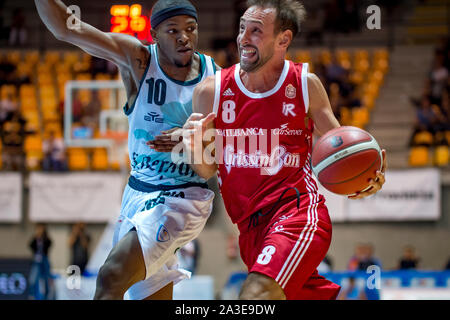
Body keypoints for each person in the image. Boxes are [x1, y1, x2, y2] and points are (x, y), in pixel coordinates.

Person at [153, 0, 387, 300]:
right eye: (241, 29)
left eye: (255, 31)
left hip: (297, 212)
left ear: (283, 39)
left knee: (253, 296)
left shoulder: (305, 85)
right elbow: (208, 169)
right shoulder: (211, 91)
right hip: (250, 230)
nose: (243, 38)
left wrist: (367, 176)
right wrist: (194, 148)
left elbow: (341, 148)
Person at [35, 0, 219, 300]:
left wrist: (189, 139)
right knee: (146, 294)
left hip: (182, 197)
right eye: (172, 30)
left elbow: (209, 169)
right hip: (136, 193)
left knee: (111, 277)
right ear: (154, 34)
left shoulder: (213, 79)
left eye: (191, 28)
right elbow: (65, 28)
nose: (184, 37)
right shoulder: (139, 60)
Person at [28, 223, 52, 300]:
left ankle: (46, 297)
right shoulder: (35, 239)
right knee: (33, 279)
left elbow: (49, 244)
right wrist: (36, 237)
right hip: (36, 261)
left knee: (46, 280)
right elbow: (30, 245)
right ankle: (32, 296)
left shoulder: (46, 239)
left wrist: (43, 237)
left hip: (44, 260)